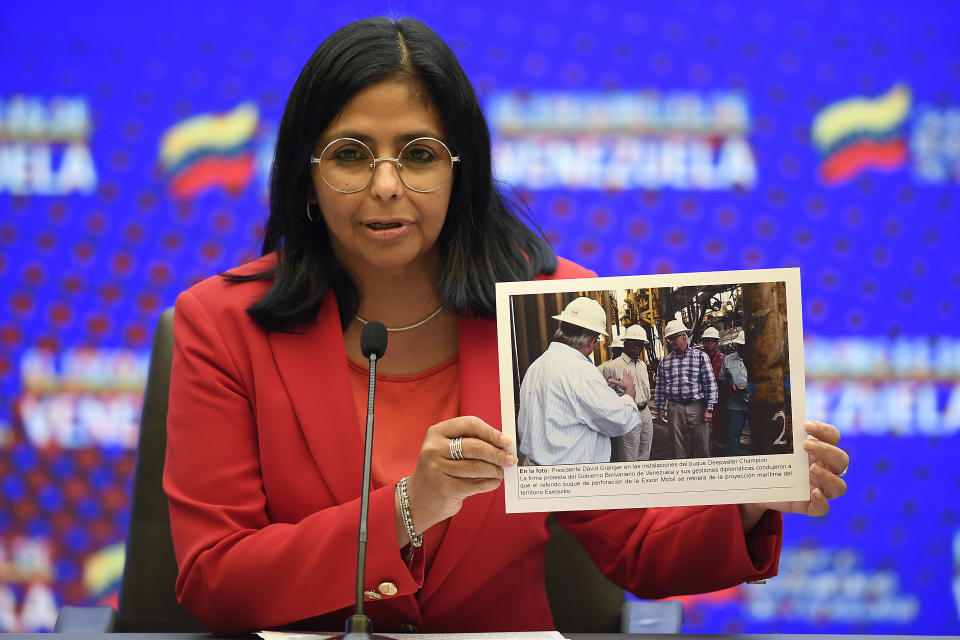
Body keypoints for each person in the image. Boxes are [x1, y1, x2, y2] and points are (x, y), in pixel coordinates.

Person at [163, 16, 851, 635]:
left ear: (463, 170)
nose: (384, 185)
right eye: (349, 154)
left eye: (419, 153)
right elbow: (216, 580)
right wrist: (408, 507)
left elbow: (640, 547)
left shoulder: (544, 305)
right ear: (304, 174)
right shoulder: (223, 324)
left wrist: (748, 500)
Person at [517, 297, 640, 466]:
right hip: (570, 477)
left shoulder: (537, 366)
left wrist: (600, 389)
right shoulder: (582, 372)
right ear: (591, 340)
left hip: (534, 473)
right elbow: (619, 420)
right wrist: (629, 393)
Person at [654, 319, 718, 458]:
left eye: (673, 338)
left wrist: (709, 408)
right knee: (678, 449)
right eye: (669, 339)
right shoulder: (665, 362)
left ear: (684, 336)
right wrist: (660, 408)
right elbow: (660, 386)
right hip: (675, 408)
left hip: (697, 407)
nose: (671, 342)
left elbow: (710, 384)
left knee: (703, 447)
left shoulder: (700, 357)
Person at [599, 324, 654, 462]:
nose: (637, 347)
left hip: (645, 412)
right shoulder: (612, 367)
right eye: (633, 344)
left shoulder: (642, 365)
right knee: (629, 457)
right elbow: (608, 398)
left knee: (645, 453)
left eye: (640, 345)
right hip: (628, 413)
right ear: (625, 344)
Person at [719, 330, 750, 455]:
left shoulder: (758, 358)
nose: (742, 348)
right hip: (735, 405)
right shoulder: (728, 360)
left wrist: (752, 386)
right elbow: (721, 379)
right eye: (740, 346)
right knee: (733, 438)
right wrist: (730, 385)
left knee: (760, 437)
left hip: (755, 405)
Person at [700, 326, 726, 456]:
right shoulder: (697, 358)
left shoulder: (724, 359)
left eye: (712, 341)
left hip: (720, 403)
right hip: (700, 403)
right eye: (707, 341)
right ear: (703, 342)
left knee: (720, 432)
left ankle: (718, 457)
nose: (709, 343)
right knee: (700, 434)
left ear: (716, 343)